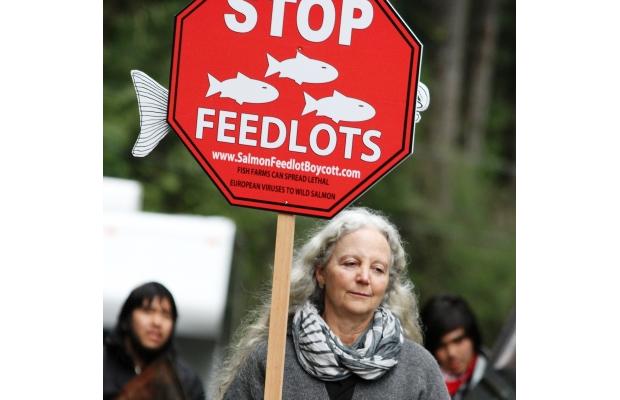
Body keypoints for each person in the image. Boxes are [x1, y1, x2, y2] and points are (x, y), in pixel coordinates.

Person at [213, 207, 449, 400]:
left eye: (378, 269)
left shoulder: (418, 369)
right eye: (350, 263)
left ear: (388, 283)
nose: (364, 277)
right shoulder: (273, 358)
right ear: (321, 273)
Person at [104, 281, 205, 400]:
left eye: (166, 315)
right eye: (148, 311)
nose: (157, 322)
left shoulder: (186, 382)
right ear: (127, 318)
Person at [420, 294, 515, 400]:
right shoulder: (422, 388)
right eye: (441, 346)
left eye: (458, 340)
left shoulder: (503, 380)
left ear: (472, 337)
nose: (452, 353)